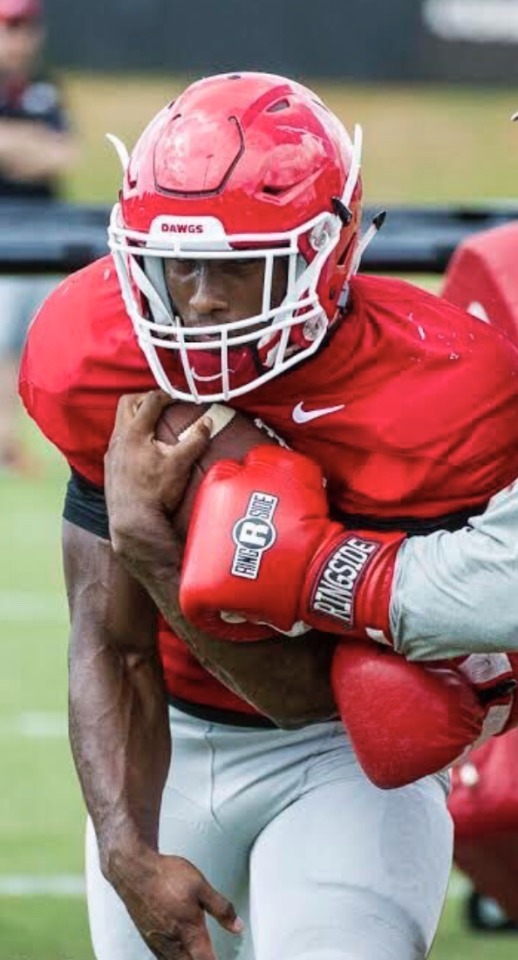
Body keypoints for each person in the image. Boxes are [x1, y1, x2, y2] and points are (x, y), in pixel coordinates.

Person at [18, 71, 518, 960]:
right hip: (165, 741)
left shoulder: (450, 390)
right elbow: (109, 640)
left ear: (329, 252)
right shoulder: (96, 351)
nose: (203, 297)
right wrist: (126, 851)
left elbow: (310, 697)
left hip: (342, 756)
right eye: (180, 265)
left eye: (242, 267)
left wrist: (159, 552)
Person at [0, 0, 75, 471]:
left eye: (26, 25)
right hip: (6, 239)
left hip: (48, 237)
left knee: (45, 345)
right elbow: (41, 150)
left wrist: (12, 143)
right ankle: (6, 443)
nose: (20, 36)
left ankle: (32, 443)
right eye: (10, 26)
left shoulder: (46, 86)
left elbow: (62, 155)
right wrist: (29, 145)